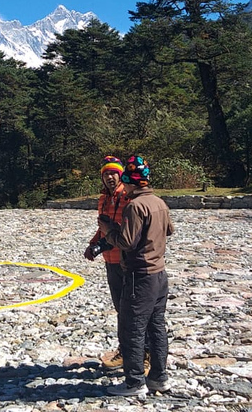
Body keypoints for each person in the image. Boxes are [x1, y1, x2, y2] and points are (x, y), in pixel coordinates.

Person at [100, 155, 174, 397]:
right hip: (159, 274)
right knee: (156, 326)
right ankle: (159, 378)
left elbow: (126, 242)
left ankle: (134, 382)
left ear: (129, 181)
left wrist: (108, 231)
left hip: (138, 275)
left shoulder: (135, 206)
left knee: (132, 327)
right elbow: (170, 230)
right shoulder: (159, 202)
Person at [83, 155, 130, 370]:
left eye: (113, 173)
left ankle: (143, 354)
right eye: (106, 174)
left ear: (121, 175)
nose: (110, 177)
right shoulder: (103, 200)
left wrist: (103, 242)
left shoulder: (129, 197)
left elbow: (124, 231)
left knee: (134, 310)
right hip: (110, 262)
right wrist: (93, 244)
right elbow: (102, 228)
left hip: (127, 261)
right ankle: (126, 350)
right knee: (120, 309)